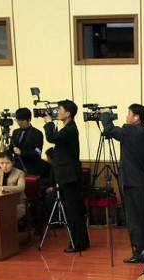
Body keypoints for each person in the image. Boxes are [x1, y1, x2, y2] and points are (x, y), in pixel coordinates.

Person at [101, 103, 144, 263]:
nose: (126, 117)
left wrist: (106, 115)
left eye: (129, 114)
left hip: (132, 181)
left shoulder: (128, 130)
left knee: (134, 219)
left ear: (136, 117)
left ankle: (138, 252)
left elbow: (110, 130)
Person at [42, 100, 88, 253]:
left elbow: (51, 138)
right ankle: (81, 242)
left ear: (67, 113)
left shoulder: (70, 129)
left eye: (59, 109)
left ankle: (77, 243)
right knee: (75, 210)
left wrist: (48, 123)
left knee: (74, 211)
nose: (57, 112)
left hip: (70, 177)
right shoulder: (67, 129)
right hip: (68, 176)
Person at [0, 151, 26, 223]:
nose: (4, 166)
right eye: (2, 163)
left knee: (7, 212)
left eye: (7, 163)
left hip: (17, 202)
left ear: (13, 163)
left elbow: (21, 188)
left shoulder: (19, 173)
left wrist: (4, 188)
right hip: (0, 201)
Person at [11, 108, 45, 175]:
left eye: (22, 120)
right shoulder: (15, 132)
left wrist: (22, 153)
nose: (19, 122)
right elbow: (12, 147)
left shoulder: (37, 133)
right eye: (17, 120)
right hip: (16, 167)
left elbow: (37, 152)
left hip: (31, 167)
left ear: (29, 120)